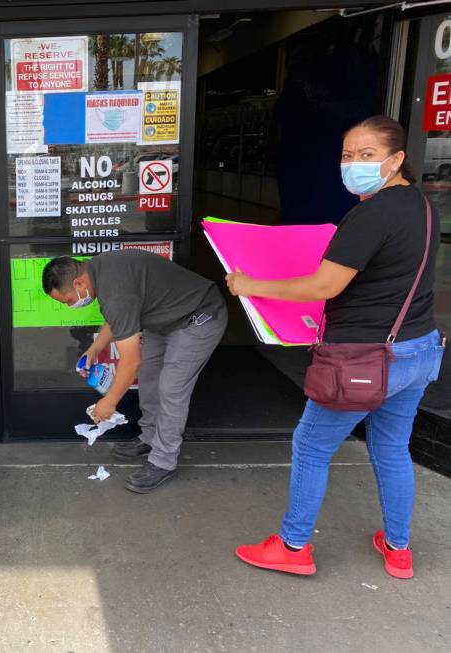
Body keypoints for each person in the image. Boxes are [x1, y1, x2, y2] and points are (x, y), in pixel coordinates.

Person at [227, 116, 445, 579]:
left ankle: (293, 545)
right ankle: (398, 547)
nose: (353, 164)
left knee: (310, 445)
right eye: (348, 155)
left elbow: (325, 285)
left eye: (367, 155)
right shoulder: (424, 207)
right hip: (419, 350)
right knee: (391, 447)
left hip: (364, 358)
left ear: (397, 159)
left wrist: (251, 284)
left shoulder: (371, 213)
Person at [42, 250, 228, 493]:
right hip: (163, 319)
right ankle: (150, 436)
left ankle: (163, 461)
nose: (70, 306)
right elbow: (118, 315)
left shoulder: (114, 288)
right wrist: (95, 348)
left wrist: (108, 403)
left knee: (171, 387)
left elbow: (131, 361)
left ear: (78, 283)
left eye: (67, 300)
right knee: (150, 377)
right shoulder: (98, 273)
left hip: (198, 318)